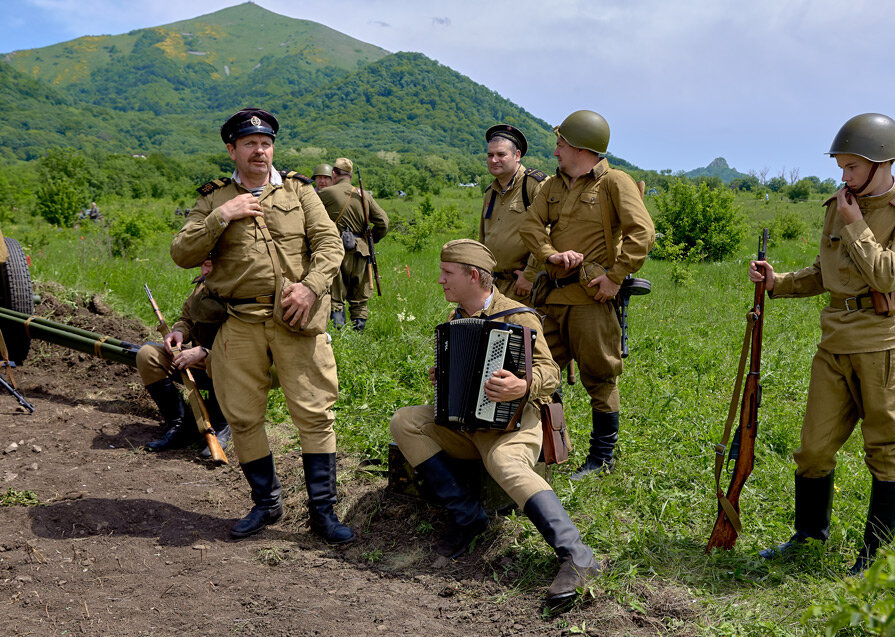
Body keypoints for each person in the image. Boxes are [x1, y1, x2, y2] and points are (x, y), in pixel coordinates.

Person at [750, 113, 895, 574]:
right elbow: (824, 272)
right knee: (813, 448)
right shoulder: (839, 205)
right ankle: (809, 535)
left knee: (885, 448)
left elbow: (887, 274)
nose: (843, 176)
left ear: (882, 164)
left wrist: (855, 224)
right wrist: (778, 283)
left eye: (851, 167)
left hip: (886, 343)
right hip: (835, 341)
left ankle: (874, 557)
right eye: (841, 166)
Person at [170, 107, 354, 544]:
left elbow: (329, 244)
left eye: (266, 142)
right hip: (241, 322)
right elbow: (181, 253)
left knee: (314, 414)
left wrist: (310, 287)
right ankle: (266, 504)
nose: (260, 150)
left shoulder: (299, 191)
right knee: (244, 416)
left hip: (296, 318)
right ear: (232, 149)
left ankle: (322, 513)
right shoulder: (214, 199)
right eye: (250, 143)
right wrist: (223, 216)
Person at [389, 240, 600, 603]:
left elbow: (550, 370)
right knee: (405, 421)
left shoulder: (518, 315)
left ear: (474, 276)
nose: (440, 280)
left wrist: (522, 385)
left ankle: (577, 556)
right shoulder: (457, 318)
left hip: (515, 422)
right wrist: (445, 374)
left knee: (504, 461)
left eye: (447, 273)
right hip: (466, 425)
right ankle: (467, 516)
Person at [519, 110, 655, 480]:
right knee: (538, 373)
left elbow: (642, 232)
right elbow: (531, 225)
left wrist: (615, 278)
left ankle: (601, 459)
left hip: (591, 300)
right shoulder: (553, 186)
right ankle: (550, 450)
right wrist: (550, 255)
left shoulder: (614, 182)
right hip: (551, 299)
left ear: (581, 148)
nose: (556, 152)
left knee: (599, 378)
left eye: (561, 145)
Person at [136, 259, 232, 460]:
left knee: (220, 362)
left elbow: (246, 342)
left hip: (232, 364)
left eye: (211, 264)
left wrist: (205, 352)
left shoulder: (239, 290)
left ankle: (221, 425)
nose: (205, 270)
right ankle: (180, 425)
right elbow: (187, 318)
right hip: (200, 361)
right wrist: (179, 333)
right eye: (203, 264)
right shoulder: (203, 285)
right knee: (148, 354)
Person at [317, 157, 389, 331]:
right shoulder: (363, 195)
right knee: (359, 298)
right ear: (350, 176)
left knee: (335, 297)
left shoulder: (325, 194)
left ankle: (340, 336)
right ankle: (358, 336)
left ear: (334, 174)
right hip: (361, 252)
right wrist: (371, 239)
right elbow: (384, 223)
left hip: (335, 250)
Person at [480, 124, 547, 304]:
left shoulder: (535, 185)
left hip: (523, 285)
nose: (494, 160)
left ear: (517, 155)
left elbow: (548, 232)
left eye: (501, 155)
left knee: (523, 331)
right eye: (490, 155)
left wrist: (530, 274)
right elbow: (483, 238)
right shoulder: (490, 192)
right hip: (494, 284)